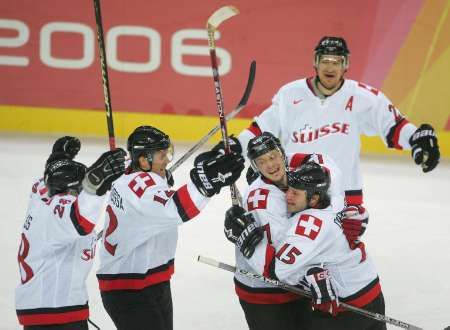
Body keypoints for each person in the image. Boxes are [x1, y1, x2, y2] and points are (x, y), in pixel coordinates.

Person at [234, 35, 440, 245]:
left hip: (344, 193)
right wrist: (235, 147)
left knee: (338, 249)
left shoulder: (362, 96)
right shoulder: (290, 94)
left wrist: (416, 139)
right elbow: (260, 130)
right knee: (289, 246)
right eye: (325, 61)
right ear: (316, 62)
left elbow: (394, 125)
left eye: (336, 62)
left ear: (345, 65)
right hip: (296, 190)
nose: (329, 67)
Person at [96, 125, 245, 330]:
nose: (167, 160)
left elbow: (153, 194)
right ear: (143, 160)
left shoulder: (131, 176)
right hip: (129, 288)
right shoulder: (138, 189)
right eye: (161, 156)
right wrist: (208, 181)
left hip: (150, 279)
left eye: (167, 153)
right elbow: (174, 209)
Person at [225, 162, 386, 330]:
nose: (287, 196)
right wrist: (311, 274)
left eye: (295, 193)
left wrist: (245, 237)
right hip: (373, 292)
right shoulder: (337, 203)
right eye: (288, 189)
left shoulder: (309, 225)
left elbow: (276, 270)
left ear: (314, 198)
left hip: (345, 309)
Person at [224, 132, 345, 330]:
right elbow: (280, 262)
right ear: (255, 166)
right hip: (263, 291)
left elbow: (321, 162)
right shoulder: (261, 200)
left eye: (272, 156)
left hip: (293, 288)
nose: (270, 165)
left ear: (282, 153)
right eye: (262, 162)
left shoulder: (295, 171)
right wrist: (311, 277)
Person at [15, 136, 126, 329]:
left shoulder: (42, 194)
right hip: (57, 314)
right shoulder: (58, 210)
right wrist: (95, 183)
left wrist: (58, 159)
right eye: (80, 189)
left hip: (47, 310)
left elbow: (48, 178)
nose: (82, 193)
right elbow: (81, 221)